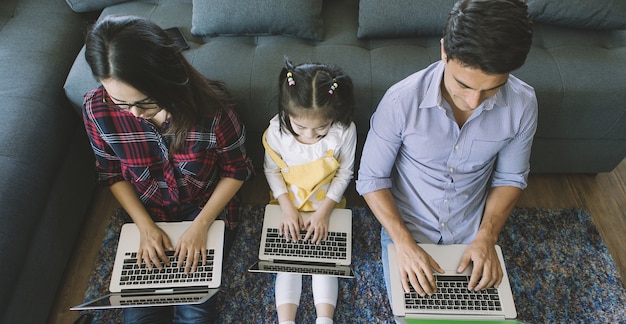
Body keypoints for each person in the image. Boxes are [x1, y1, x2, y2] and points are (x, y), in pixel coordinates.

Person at [356, 0, 537, 301]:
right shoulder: (401, 101)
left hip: (473, 232)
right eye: (463, 85)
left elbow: (511, 177)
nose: (474, 102)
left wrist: (487, 237)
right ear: (444, 51)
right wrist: (403, 243)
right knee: (414, 314)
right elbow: (371, 179)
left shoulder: (523, 104)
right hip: (407, 229)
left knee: (486, 314)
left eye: (492, 88)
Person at [82, 15, 255, 324]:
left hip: (203, 207)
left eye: (145, 101)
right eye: (120, 102)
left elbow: (237, 170)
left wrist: (201, 226)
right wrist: (144, 227)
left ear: (167, 78)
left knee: (196, 312)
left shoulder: (214, 111)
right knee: (139, 315)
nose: (134, 114)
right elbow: (111, 173)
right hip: (147, 212)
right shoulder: (96, 109)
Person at [263, 57, 357, 324]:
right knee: (287, 263)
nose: (309, 136)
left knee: (325, 262)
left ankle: (325, 319)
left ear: (334, 116)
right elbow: (271, 171)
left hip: (327, 205)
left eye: (320, 129)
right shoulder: (276, 130)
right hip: (287, 204)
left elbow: (345, 172)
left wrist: (324, 212)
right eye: (300, 127)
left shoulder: (344, 130)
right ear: (287, 113)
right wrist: (287, 209)